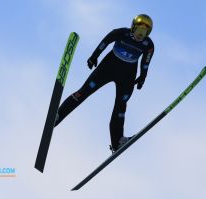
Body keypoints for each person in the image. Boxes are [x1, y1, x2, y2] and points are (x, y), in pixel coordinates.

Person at [55, 14, 155, 153]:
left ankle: (117, 142)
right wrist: (94, 56)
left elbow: (146, 62)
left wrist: (142, 77)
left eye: (143, 34)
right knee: (84, 92)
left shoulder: (148, 45)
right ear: (133, 27)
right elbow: (105, 42)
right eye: (138, 33)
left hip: (127, 76)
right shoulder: (121, 33)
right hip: (108, 67)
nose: (140, 36)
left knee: (121, 106)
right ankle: (58, 115)